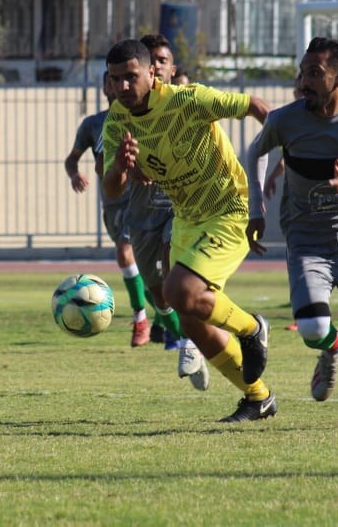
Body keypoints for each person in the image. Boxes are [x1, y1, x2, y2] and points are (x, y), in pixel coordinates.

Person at [102, 39, 274, 422]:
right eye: (115, 81)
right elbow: (110, 189)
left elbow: (256, 106)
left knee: (179, 291)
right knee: (190, 317)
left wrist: (284, 161)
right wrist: (118, 168)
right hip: (187, 219)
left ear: (151, 72)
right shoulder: (117, 118)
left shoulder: (188, 100)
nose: (123, 88)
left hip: (227, 209)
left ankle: (251, 328)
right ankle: (257, 397)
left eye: (131, 77)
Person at [244, 36, 338, 430]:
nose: (303, 81)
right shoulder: (285, 119)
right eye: (303, 71)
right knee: (312, 330)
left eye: (314, 73)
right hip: (308, 242)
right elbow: (255, 151)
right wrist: (256, 208)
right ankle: (333, 346)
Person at [131, 33, 209, 389]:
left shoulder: (185, 102)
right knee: (158, 291)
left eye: (163, 60)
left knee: (176, 270)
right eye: (153, 61)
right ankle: (180, 331)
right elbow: (110, 171)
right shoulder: (126, 109)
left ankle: (192, 343)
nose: (158, 66)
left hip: (183, 208)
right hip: (142, 212)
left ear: (170, 68)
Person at [64, 71, 153, 347]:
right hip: (112, 205)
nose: (117, 86)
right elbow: (72, 159)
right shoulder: (92, 124)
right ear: (105, 86)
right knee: (143, 270)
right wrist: (74, 174)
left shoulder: (140, 116)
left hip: (139, 200)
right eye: (111, 80)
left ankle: (141, 320)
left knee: (125, 254)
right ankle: (166, 322)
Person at [261, 78, 305, 332]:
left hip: (319, 202)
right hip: (295, 200)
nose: (300, 96)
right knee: (296, 253)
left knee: (307, 255)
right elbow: (288, 154)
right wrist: (273, 177)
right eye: (298, 91)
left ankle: (312, 313)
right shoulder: (294, 119)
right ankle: (305, 313)